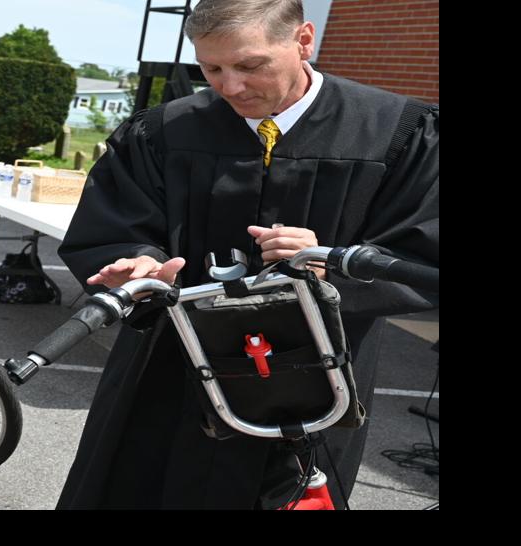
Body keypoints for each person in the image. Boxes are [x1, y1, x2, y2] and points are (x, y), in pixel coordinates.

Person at [56, 0, 438, 509]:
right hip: (175, 363)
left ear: (304, 40)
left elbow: (420, 245)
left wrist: (337, 261)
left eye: (250, 65)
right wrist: (138, 260)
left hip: (317, 372)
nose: (229, 87)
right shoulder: (164, 130)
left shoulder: (395, 131)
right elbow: (116, 225)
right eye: (211, 68)